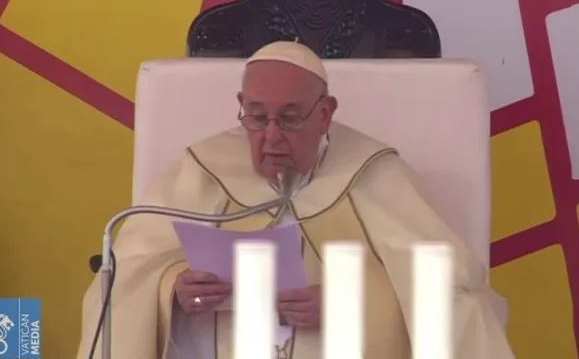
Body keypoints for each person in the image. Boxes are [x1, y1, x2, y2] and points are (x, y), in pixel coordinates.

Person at [76, 41, 516, 359]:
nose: (270, 138)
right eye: (256, 116)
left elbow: (448, 288)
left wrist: (348, 302)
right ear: (241, 106)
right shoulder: (200, 169)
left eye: (288, 118)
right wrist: (172, 290)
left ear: (325, 113)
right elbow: (124, 275)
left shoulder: (374, 172)